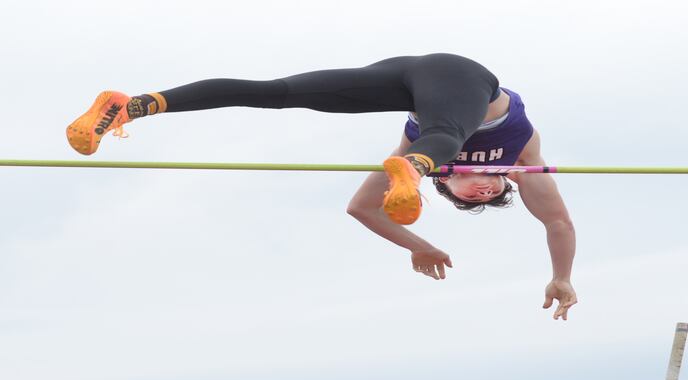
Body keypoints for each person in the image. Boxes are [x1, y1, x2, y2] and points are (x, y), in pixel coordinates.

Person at [66, 53, 578, 320]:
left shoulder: (405, 157)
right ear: (504, 178)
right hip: (467, 77)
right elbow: (556, 220)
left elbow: (362, 208)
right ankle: (132, 108)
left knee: (278, 94)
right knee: (444, 135)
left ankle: (129, 105)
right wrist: (563, 276)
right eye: (493, 192)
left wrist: (419, 245)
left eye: (475, 200)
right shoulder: (522, 156)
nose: (485, 191)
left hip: (404, 79)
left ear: (448, 187)